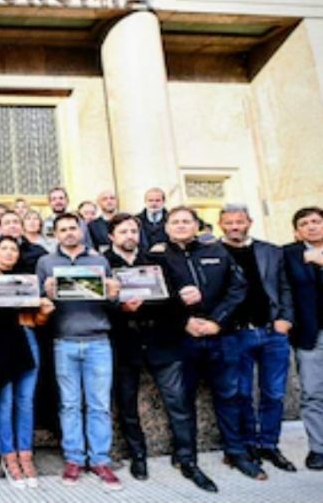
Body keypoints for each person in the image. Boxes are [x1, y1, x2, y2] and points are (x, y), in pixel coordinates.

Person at [151, 206, 264, 484]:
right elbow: (151, 299)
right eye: (175, 222)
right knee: (182, 401)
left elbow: (238, 288)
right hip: (180, 339)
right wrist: (183, 319)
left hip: (220, 336)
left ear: (196, 225)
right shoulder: (155, 257)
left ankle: (236, 452)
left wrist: (217, 321)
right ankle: (186, 458)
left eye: (186, 221)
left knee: (229, 396)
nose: (180, 225)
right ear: (166, 227)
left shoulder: (217, 251)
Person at [103, 214, 209, 489]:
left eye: (133, 231)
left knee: (178, 403)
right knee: (127, 406)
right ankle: (138, 455)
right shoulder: (103, 264)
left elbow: (175, 298)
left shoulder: (158, 261)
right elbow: (98, 305)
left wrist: (183, 297)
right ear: (111, 236)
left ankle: (187, 459)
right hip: (124, 345)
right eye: (123, 231)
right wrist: (120, 307)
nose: (130, 236)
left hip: (163, 341)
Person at [37, 213, 122, 490]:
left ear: (82, 230)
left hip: (98, 340)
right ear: (55, 234)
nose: (69, 233)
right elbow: (36, 303)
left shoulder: (100, 261)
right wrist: (46, 295)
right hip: (64, 340)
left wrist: (114, 295)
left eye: (73, 228)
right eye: (63, 229)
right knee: (69, 404)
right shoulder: (46, 262)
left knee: (99, 405)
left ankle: (100, 460)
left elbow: (112, 302)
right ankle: (74, 458)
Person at [218, 204, 297, 472]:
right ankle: (248, 443)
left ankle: (269, 444)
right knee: (241, 393)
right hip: (235, 334)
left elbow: (285, 288)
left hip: (272, 332)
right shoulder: (214, 252)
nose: (234, 227)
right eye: (229, 222)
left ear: (249, 222)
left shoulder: (271, 251)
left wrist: (286, 318)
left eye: (239, 222)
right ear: (221, 225)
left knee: (274, 393)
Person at [0, 236, 54, 489]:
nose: (9, 253)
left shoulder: (27, 278)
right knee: (5, 401)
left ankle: (25, 453)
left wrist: (44, 309)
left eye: (14, 249)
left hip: (28, 339)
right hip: (0, 344)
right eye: (4, 249)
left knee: (25, 401)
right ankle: (8, 455)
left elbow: (38, 315)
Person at [281, 206, 323, 470]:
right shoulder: (288, 254)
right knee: (313, 392)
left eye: (316, 221)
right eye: (304, 223)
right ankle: (319, 448)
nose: (311, 226)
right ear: (297, 232)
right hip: (310, 334)